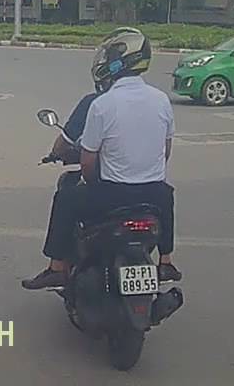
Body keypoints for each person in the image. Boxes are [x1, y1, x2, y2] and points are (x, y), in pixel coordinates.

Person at [22, 28, 180, 290]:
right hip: (153, 194)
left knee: (66, 199)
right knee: (167, 194)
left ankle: (57, 268)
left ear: (119, 63)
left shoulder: (102, 104)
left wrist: (94, 182)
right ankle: (166, 261)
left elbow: (87, 163)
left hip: (113, 195)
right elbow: (166, 151)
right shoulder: (161, 100)